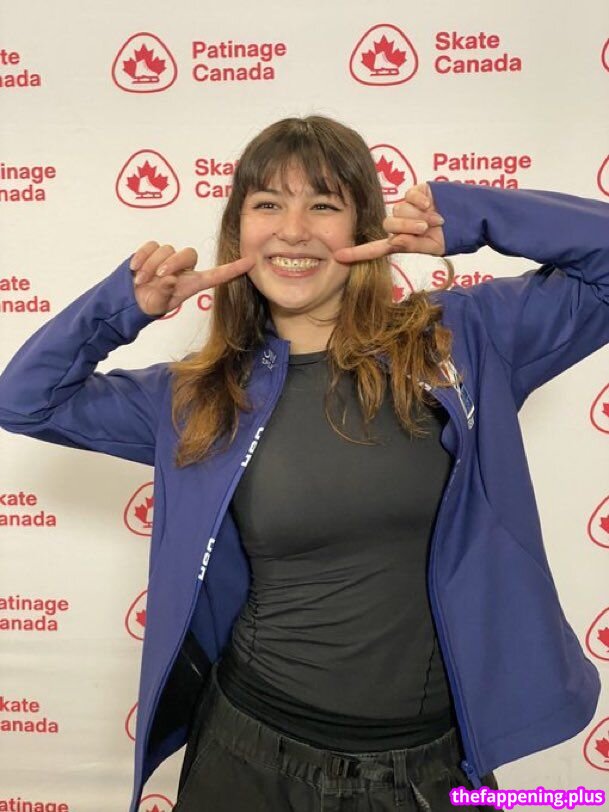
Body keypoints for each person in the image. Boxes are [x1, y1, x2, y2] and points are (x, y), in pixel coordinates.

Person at [0, 115, 607, 812]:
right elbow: (25, 401)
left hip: (429, 767)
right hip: (251, 754)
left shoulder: (460, 339)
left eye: (322, 205)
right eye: (268, 204)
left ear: (365, 227)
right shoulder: (196, 396)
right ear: (238, 231)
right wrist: (121, 309)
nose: (293, 230)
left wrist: (472, 216)